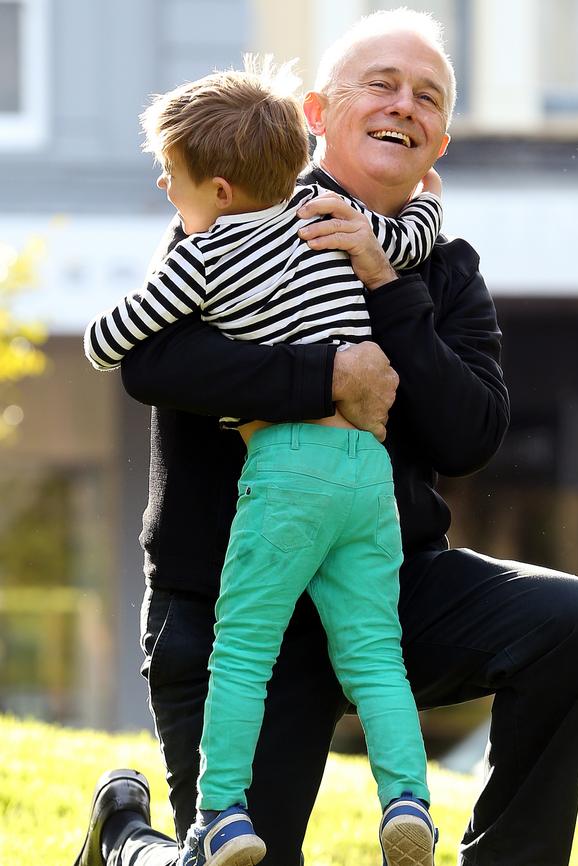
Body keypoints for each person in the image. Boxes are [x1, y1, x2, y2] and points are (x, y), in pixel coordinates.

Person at [74, 8, 578, 866]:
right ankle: (126, 843)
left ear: (441, 141)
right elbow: (153, 362)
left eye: (427, 97)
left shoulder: (445, 267)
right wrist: (327, 379)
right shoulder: (238, 208)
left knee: (575, 623)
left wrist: (387, 284)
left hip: (387, 591)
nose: (404, 104)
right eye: (381, 84)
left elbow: (470, 432)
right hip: (235, 602)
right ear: (318, 114)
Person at [83, 60, 445, 866]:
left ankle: (221, 817)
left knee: (244, 646)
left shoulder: (202, 254)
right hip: (366, 473)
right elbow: (416, 236)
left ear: (214, 189)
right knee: (374, 650)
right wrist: (426, 206)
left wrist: (175, 276)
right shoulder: (330, 215)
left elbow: (110, 344)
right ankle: (407, 800)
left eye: (167, 179)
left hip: (287, 468)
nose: (163, 193)